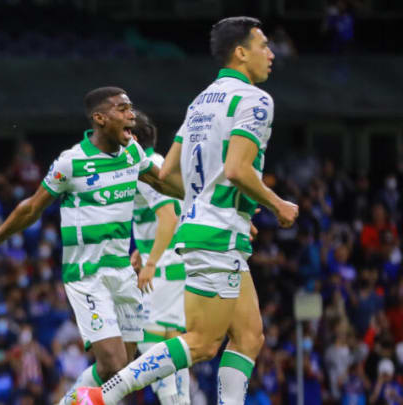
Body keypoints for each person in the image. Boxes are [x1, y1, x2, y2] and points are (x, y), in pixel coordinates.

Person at [72, 17, 299, 404]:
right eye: (263, 45)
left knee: (249, 336)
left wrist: (240, 206)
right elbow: (236, 169)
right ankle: (103, 396)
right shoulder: (255, 101)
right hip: (217, 234)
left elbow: (168, 178)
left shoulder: (201, 101)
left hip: (216, 230)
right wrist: (276, 203)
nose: (271, 53)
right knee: (201, 343)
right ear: (241, 53)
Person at [0, 86, 182, 405]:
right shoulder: (72, 163)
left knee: (121, 370)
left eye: (131, 108)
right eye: (122, 109)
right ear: (99, 118)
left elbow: (168, 184)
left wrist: (221, 206)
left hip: (122, 273)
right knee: (113, 364)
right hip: (87, 276)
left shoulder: (133, 154)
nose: (131, 115)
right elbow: (31, 208)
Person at [129, 110, 189, 405]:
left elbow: (168, 217)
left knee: (146, 334)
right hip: (174, 260)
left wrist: (151, 262)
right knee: (173, 339)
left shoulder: (146, 168)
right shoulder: (158, 161)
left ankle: (171, 400)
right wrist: (143, 249)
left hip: (166, 265)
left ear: (133, 138)